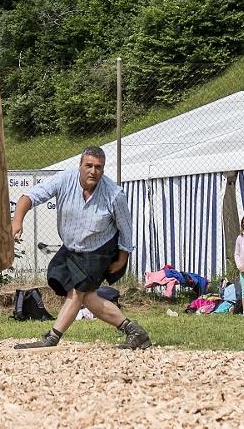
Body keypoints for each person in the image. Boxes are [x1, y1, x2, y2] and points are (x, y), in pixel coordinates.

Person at [11, 146, 150, 350]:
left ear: (103, 169)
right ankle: (135, 332)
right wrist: (17, 220)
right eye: (89, 166)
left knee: (78, 292)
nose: (93, 171)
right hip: (72, 247)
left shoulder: (114, 194)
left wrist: (121, 259)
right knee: (86, 295)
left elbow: (126, 229)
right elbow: (30, 197)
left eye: (98, 167)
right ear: (80, 166)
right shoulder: (64, 180)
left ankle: (52, 337)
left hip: (100, 249)